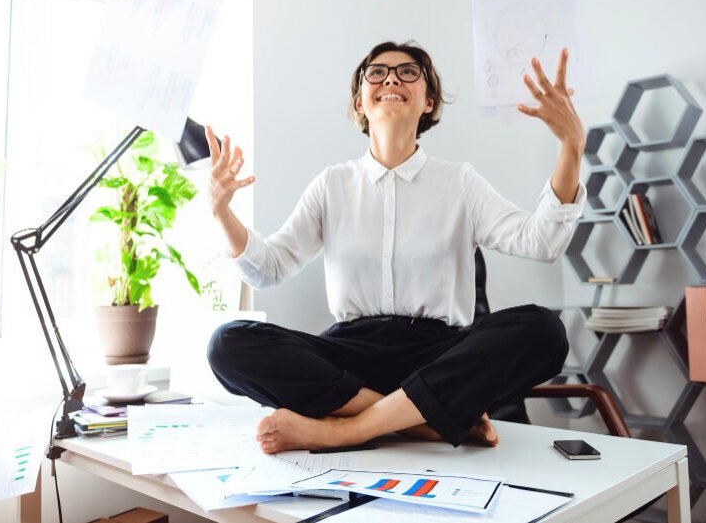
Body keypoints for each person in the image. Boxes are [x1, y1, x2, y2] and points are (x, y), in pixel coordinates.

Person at [204, 41, 586, 455]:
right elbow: (269, 267)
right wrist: (221, 210)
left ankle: (345, 430)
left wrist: (571, 148)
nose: (390, 78)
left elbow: (541, 240)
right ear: (360, 102)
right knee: (227, 343)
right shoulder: (332, 185)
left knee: (545, 330)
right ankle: (421, 424)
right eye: (377, 72)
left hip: (438, 356)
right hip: (349, 359)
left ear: (429, 101)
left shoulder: (459, 182)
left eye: (408, 73)